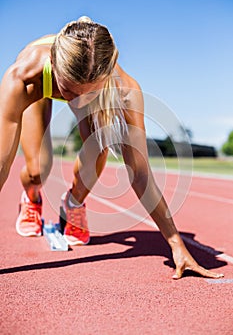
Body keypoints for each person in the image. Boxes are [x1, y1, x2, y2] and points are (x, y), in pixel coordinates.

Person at [0, 16, 223, 279]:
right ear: (53, 66)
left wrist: (176, 243)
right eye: (70, 93)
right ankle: (32, 198)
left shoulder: (125, 90)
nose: (78, 103)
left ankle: (73, 203)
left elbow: (139, 173)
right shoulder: (23, 77)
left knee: (99, 147)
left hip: (84, 81)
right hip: (44, 83)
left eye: (89, 95)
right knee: (38, 170)